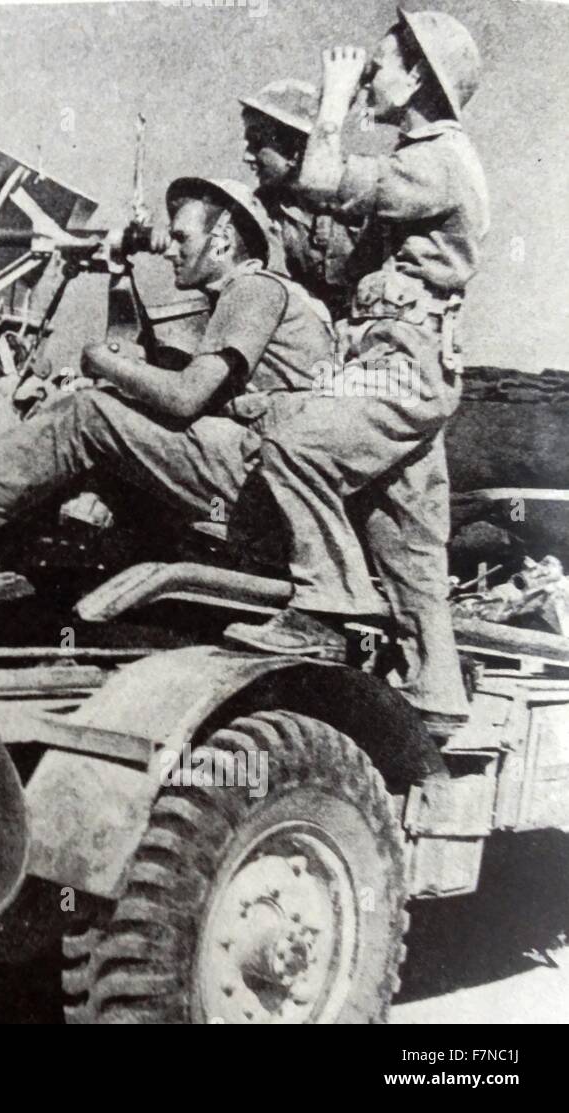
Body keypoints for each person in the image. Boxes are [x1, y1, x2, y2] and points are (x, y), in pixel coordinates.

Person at [223, 10, 488, 735]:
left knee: (294, 437)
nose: (369, 76)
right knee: (407, 532)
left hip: (403, 364)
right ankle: (436, 692)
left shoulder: (437, 160)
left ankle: (325, 609)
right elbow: (330, 250)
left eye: (378, 67)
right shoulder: (421, 160)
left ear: (419, 80)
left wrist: (333, 105)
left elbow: (325, 181)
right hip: (399, 360)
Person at [0, 177, 335, 567]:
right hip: (265, 475)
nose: (172, 252)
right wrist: (121, 278)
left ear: (222, 239)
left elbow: (184, 397)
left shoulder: (254, 290)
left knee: (88, 414)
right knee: (94, 403)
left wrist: (100, 360)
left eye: (183, 239)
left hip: (262, 476)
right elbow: (149, 365)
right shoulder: (253, 295)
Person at [239, 78, 361, 320]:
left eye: (257, 144)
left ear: (294, 151)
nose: (246, 156)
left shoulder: (356, 198)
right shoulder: (264, 206)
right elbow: (221, 249)